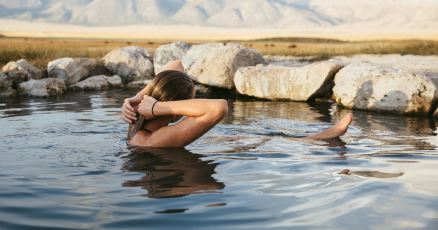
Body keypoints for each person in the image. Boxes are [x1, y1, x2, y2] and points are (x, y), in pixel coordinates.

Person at [121, 60, 352, 148]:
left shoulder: (136, 124)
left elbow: (177, 65)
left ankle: (319, 138)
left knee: (244, 138)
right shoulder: (152, 141)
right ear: (173, 109)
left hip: (158, 110)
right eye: (188, 104)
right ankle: (319, 141)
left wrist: (139, 97)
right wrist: (158, 107)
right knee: (267, 141)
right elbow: (219, 107)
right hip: (162, 132)